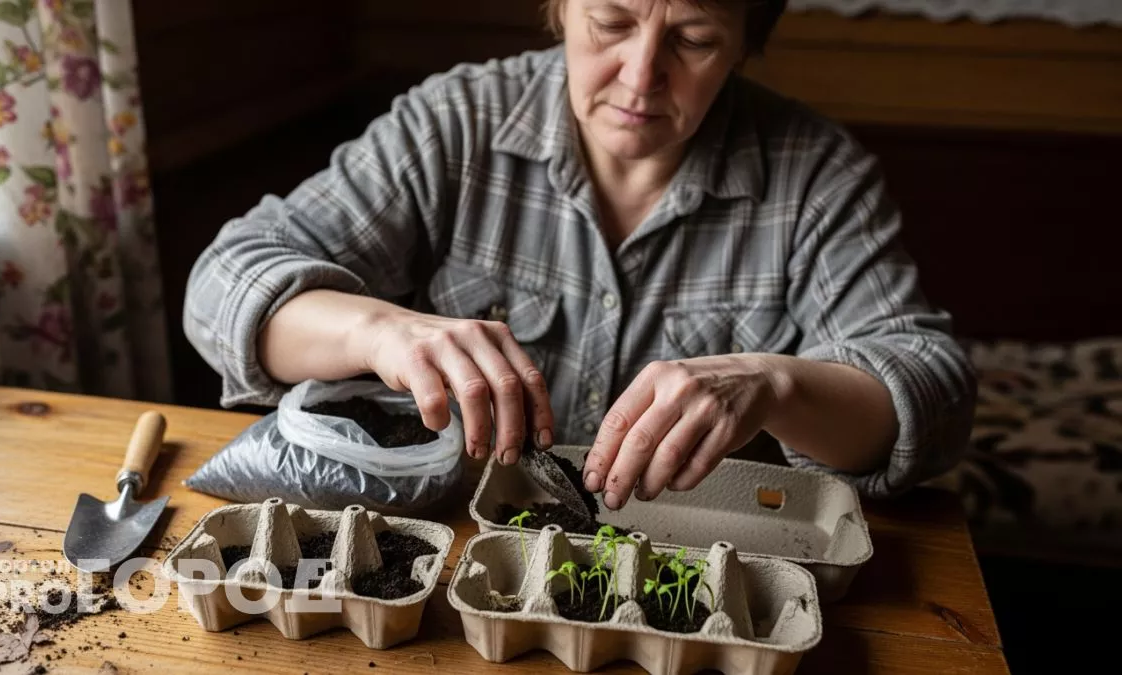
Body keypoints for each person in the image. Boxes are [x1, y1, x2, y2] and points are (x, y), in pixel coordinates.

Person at [184, 0, 976, 510]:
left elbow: (931, 388)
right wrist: (379, 331)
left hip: (704, 554)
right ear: (560, 9)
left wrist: (774, 384)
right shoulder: (454, 124)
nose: (641, 76)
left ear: (744, 44)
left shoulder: (816, 175)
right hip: (459, 546)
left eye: (693, 39)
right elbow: (223, 283)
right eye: (612, 22)